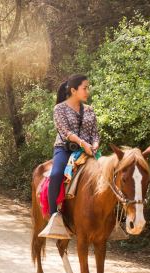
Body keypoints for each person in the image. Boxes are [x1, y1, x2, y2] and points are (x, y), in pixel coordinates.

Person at [48, 74, 100, 219]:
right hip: (65, 149)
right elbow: (66, 132)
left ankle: (110, 219)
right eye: (85, 88)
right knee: (56, 174)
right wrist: (83, 144)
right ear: (73, 90)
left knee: (109, 175)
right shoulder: (59, 109)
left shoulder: (89, 110)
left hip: (89, 151)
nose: (87, 91)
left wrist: (95, 145)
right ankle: (53, 216)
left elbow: (95, 133)